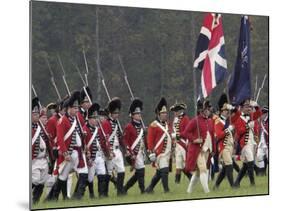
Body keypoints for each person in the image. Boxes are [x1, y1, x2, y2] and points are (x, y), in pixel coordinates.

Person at [49, 91, 88, 200]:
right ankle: (53, 198)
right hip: (69, 153)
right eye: (74, 108)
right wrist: (65, 153)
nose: (76, 110)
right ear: (68, 108)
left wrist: (85, 146)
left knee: (84, 173)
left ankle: (77, 197)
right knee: (62, 177)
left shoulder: (77, 119)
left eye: (77, 108)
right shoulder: (62, 121)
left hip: (78, 152)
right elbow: (60, 139)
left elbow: (82, 132)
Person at [181, 99, 216, 194]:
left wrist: (213, 149)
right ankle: (207, 191)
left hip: (207, 150)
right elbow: (185, 133)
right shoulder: (195, 121)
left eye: (209, 109)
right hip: (198, 150)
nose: (208, 110)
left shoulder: (210, 121)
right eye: (206, 109)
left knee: (197, 172)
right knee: (203, 169)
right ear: (202, 110)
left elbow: (212, 136)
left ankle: (189, 191)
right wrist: (194, 139)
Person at [145, 97, 172, 193]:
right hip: (159, 152)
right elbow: (150, 140)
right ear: (158, 114)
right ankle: (166, 190)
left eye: (166, 113)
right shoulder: (154, 125)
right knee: (164, 170)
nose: (165, 115)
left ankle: (149, 188)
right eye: (163, 113)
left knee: (160, 172)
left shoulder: (167, 124)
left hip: (167, 152)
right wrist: (151, 152)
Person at [233, 99, 262, 187]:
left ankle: (236, 183)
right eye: (246, 106)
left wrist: (256, 106)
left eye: (249, 106)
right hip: (244, 143)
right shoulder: (238, 118)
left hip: (252, 142)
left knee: (246, 165)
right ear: (241, 108)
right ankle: (252, 184)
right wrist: (248, 126)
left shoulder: (252, 116)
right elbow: (239, 131)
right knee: (250, 161)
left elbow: (259, 113)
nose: (248, 108)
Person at [83, 103, 110, 198]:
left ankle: (101, 194)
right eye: (94, 118)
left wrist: (107, 151)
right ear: (89, 119)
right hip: (92, 157)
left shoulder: (99, 129)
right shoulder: (85, 129)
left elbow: (102, 142)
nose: (96, 120)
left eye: (96, 118)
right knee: (89, 178)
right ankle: (91, 194)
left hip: (99, 156)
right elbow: (84, 145)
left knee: (102, 174)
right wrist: (88, 158)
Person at [102, 97, 128, 196]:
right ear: (110, 113)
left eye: (118, 113)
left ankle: (120, 191)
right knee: (108, 173)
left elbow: (120, 138)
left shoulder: (117, 123)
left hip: (117, 151)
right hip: (110, 151)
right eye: (115, 113)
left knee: (121, 170)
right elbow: (105, 140)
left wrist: (125, 149)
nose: (117, 115)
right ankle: (105, 193)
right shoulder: (106, 123)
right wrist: (108, 152)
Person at [213, 94, 240, 189]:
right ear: (221, 111)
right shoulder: (218, 121)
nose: (227, 112)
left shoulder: (229, 120)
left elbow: (239, 115)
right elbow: (219, 135)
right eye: (225, 110)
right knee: (229, 165)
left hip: (230, 146)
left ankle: (216, 185)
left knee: (225, 168)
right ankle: (233, 185)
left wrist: (233, 108)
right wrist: (228, 129)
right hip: (223, 146)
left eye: (228, 110)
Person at [123, 99, 146, 194]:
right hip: (133, 153)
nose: (139, 115)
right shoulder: (129, 126)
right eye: (137, 113)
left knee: (138, 173)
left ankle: (125, 188)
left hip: (140, 152)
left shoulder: (141, 126)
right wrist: (128, 151)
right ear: (132, 115)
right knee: (141, 171)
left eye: (140, 113)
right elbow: (125, 140)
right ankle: (143, 190)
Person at [31, 97, 51, 204]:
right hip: (33, 159)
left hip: (43, 158)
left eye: (37, 114)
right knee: (34, 179)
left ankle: (35, 201)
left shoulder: (41, 127)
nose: (37, 116)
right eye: (34, 114)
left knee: (42, 181)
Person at [170, 102, 192, 183]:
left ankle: (192, 178)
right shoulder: (175, 119)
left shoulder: (185, 118)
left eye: (176, 111)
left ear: (180, 111)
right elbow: (173, 130)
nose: (174, 113)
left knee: (187, 164)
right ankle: (177, 183)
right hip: (177, 144)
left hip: (184, 143)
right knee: (179, 164)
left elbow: (187, 132)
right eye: (174, 111)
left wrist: (177, 135)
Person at [255, 106, 269, 176]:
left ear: (266, 113)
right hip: (261, 143)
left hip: (268, 143)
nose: (261, 115)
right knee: (259, 156)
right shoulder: (260, 122)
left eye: (262, 114)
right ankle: (262, 172)